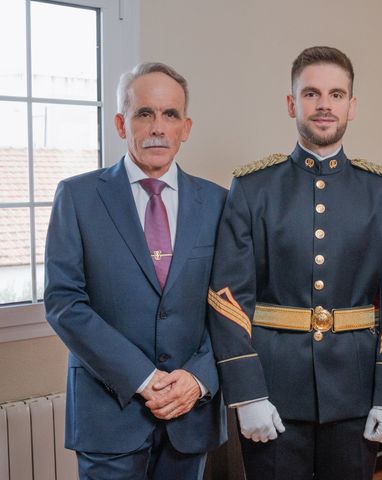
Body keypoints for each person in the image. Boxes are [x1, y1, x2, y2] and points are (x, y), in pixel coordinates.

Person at [207, 46, 382, 480]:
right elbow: (228, 298)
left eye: (337, 95)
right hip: (273, 391)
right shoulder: (252, 187)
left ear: (352, 107)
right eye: (311, 94)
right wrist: (247, 395)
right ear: (291, 104)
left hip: (356, 392)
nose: (324, 105)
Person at [44, 62, 227, 480]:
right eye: (144, 113)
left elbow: (233, 306)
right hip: (109, 414)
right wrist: (144, 379)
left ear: (186, 127)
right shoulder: (77, 197)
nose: (157, 127)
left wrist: (198, 380)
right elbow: (63, 304)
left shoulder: (218, 203)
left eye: (170, 115)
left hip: (189, 413)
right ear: (121, 123)